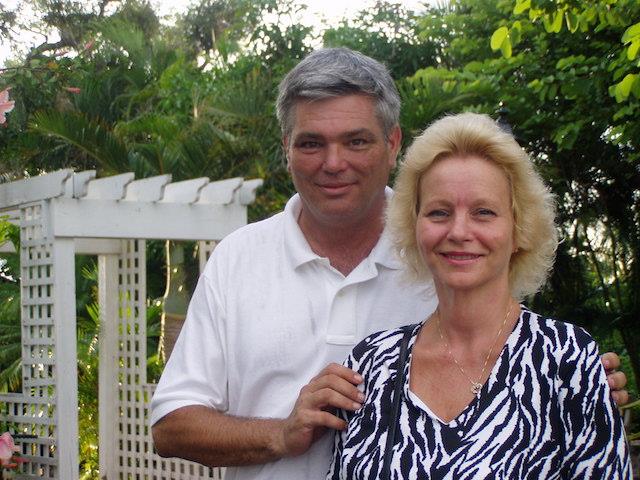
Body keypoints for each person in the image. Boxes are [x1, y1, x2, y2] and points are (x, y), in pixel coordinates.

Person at [150, 48, 628, 480]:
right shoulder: (239, 259)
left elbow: (518, 353)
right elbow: (171, 425)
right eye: (311, 143)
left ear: (393, 142)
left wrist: (581, 382)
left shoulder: (445, 252)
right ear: (286, 148)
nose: (333, 162)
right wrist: (280, 434)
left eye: (356, 141)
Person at [327, 112, 632, 479]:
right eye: (439, 212)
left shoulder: (567, 360)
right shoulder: (371, 366)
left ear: (519, 229)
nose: (459, 231)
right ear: (414, 226)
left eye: (483, 212)